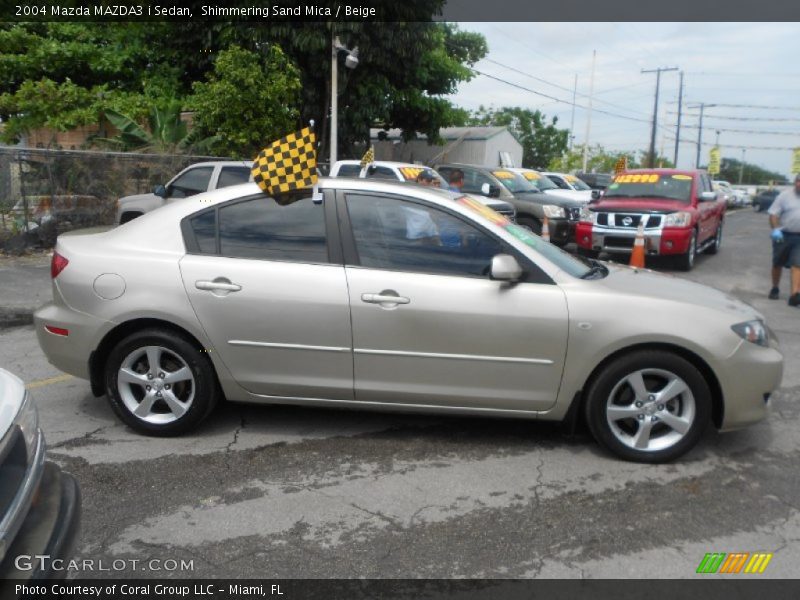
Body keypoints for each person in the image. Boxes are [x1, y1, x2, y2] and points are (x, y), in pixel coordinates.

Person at [768, 173, 800, 306]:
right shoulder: (784, 196)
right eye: (799, 182)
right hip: (784, 235)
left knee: (797, 264)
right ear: (795, 182)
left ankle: (794, 295)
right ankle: (775, 287)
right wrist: (775, 229)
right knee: (777, 263)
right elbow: (773, 214)